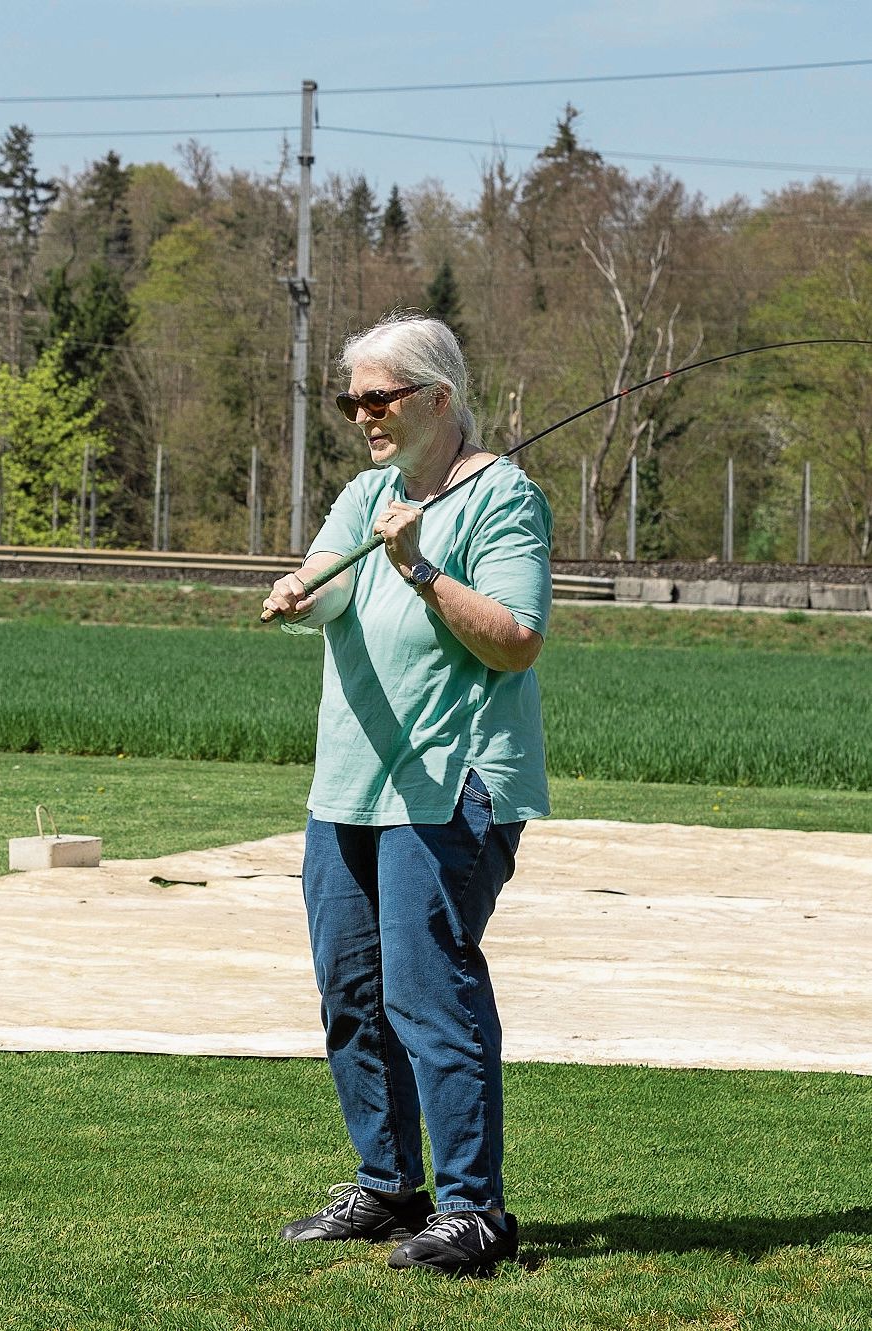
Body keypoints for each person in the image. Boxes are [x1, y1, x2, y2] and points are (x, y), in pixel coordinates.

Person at [262, 313, 553, 1277]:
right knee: (352, 992)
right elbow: (331, 575)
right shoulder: (364, 494)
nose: (360, 415)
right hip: (348, 783)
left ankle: (474, 1209)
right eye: (350, 400)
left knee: (429, 994)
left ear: (435, 397)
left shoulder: (503, 500)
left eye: (376, 397)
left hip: (450, 781)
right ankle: (389, 1186)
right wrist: (301, 584)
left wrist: (420, 568)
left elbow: (515, 639)